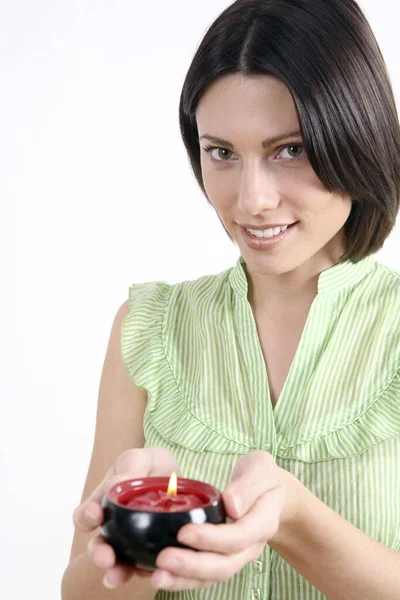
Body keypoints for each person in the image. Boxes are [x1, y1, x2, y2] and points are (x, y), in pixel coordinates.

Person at [61, 0, 400, 598]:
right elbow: (82, 592)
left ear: (357, 137)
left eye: (289, 149)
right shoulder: (148, 329)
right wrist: (134, 533)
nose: (252, 200)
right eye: (222, 153)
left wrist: (295, 518)